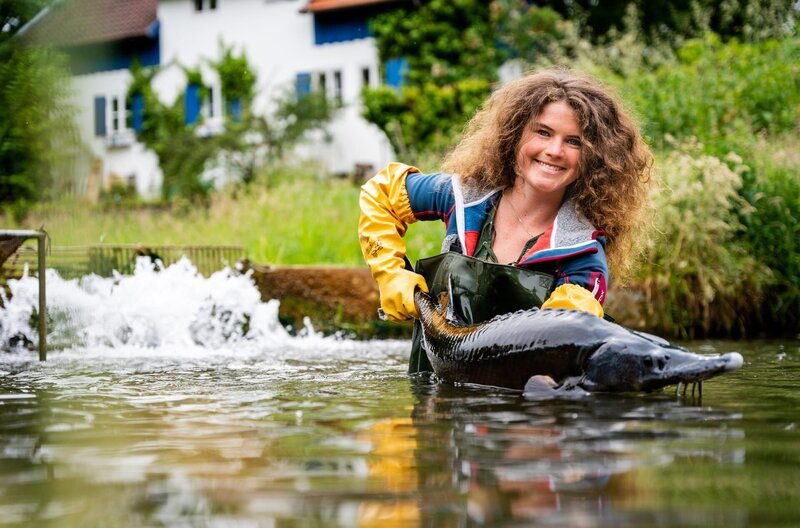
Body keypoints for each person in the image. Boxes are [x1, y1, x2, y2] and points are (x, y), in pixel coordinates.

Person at [358, 68, 652, 327]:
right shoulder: (463, 197)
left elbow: (562, 342)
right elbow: (380, 193)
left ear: (594, 158)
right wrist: (390, 273)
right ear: (514, 135)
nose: (555, 150)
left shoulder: (583, 257)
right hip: (433, 385)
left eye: (573, 142)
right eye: (543, 132)